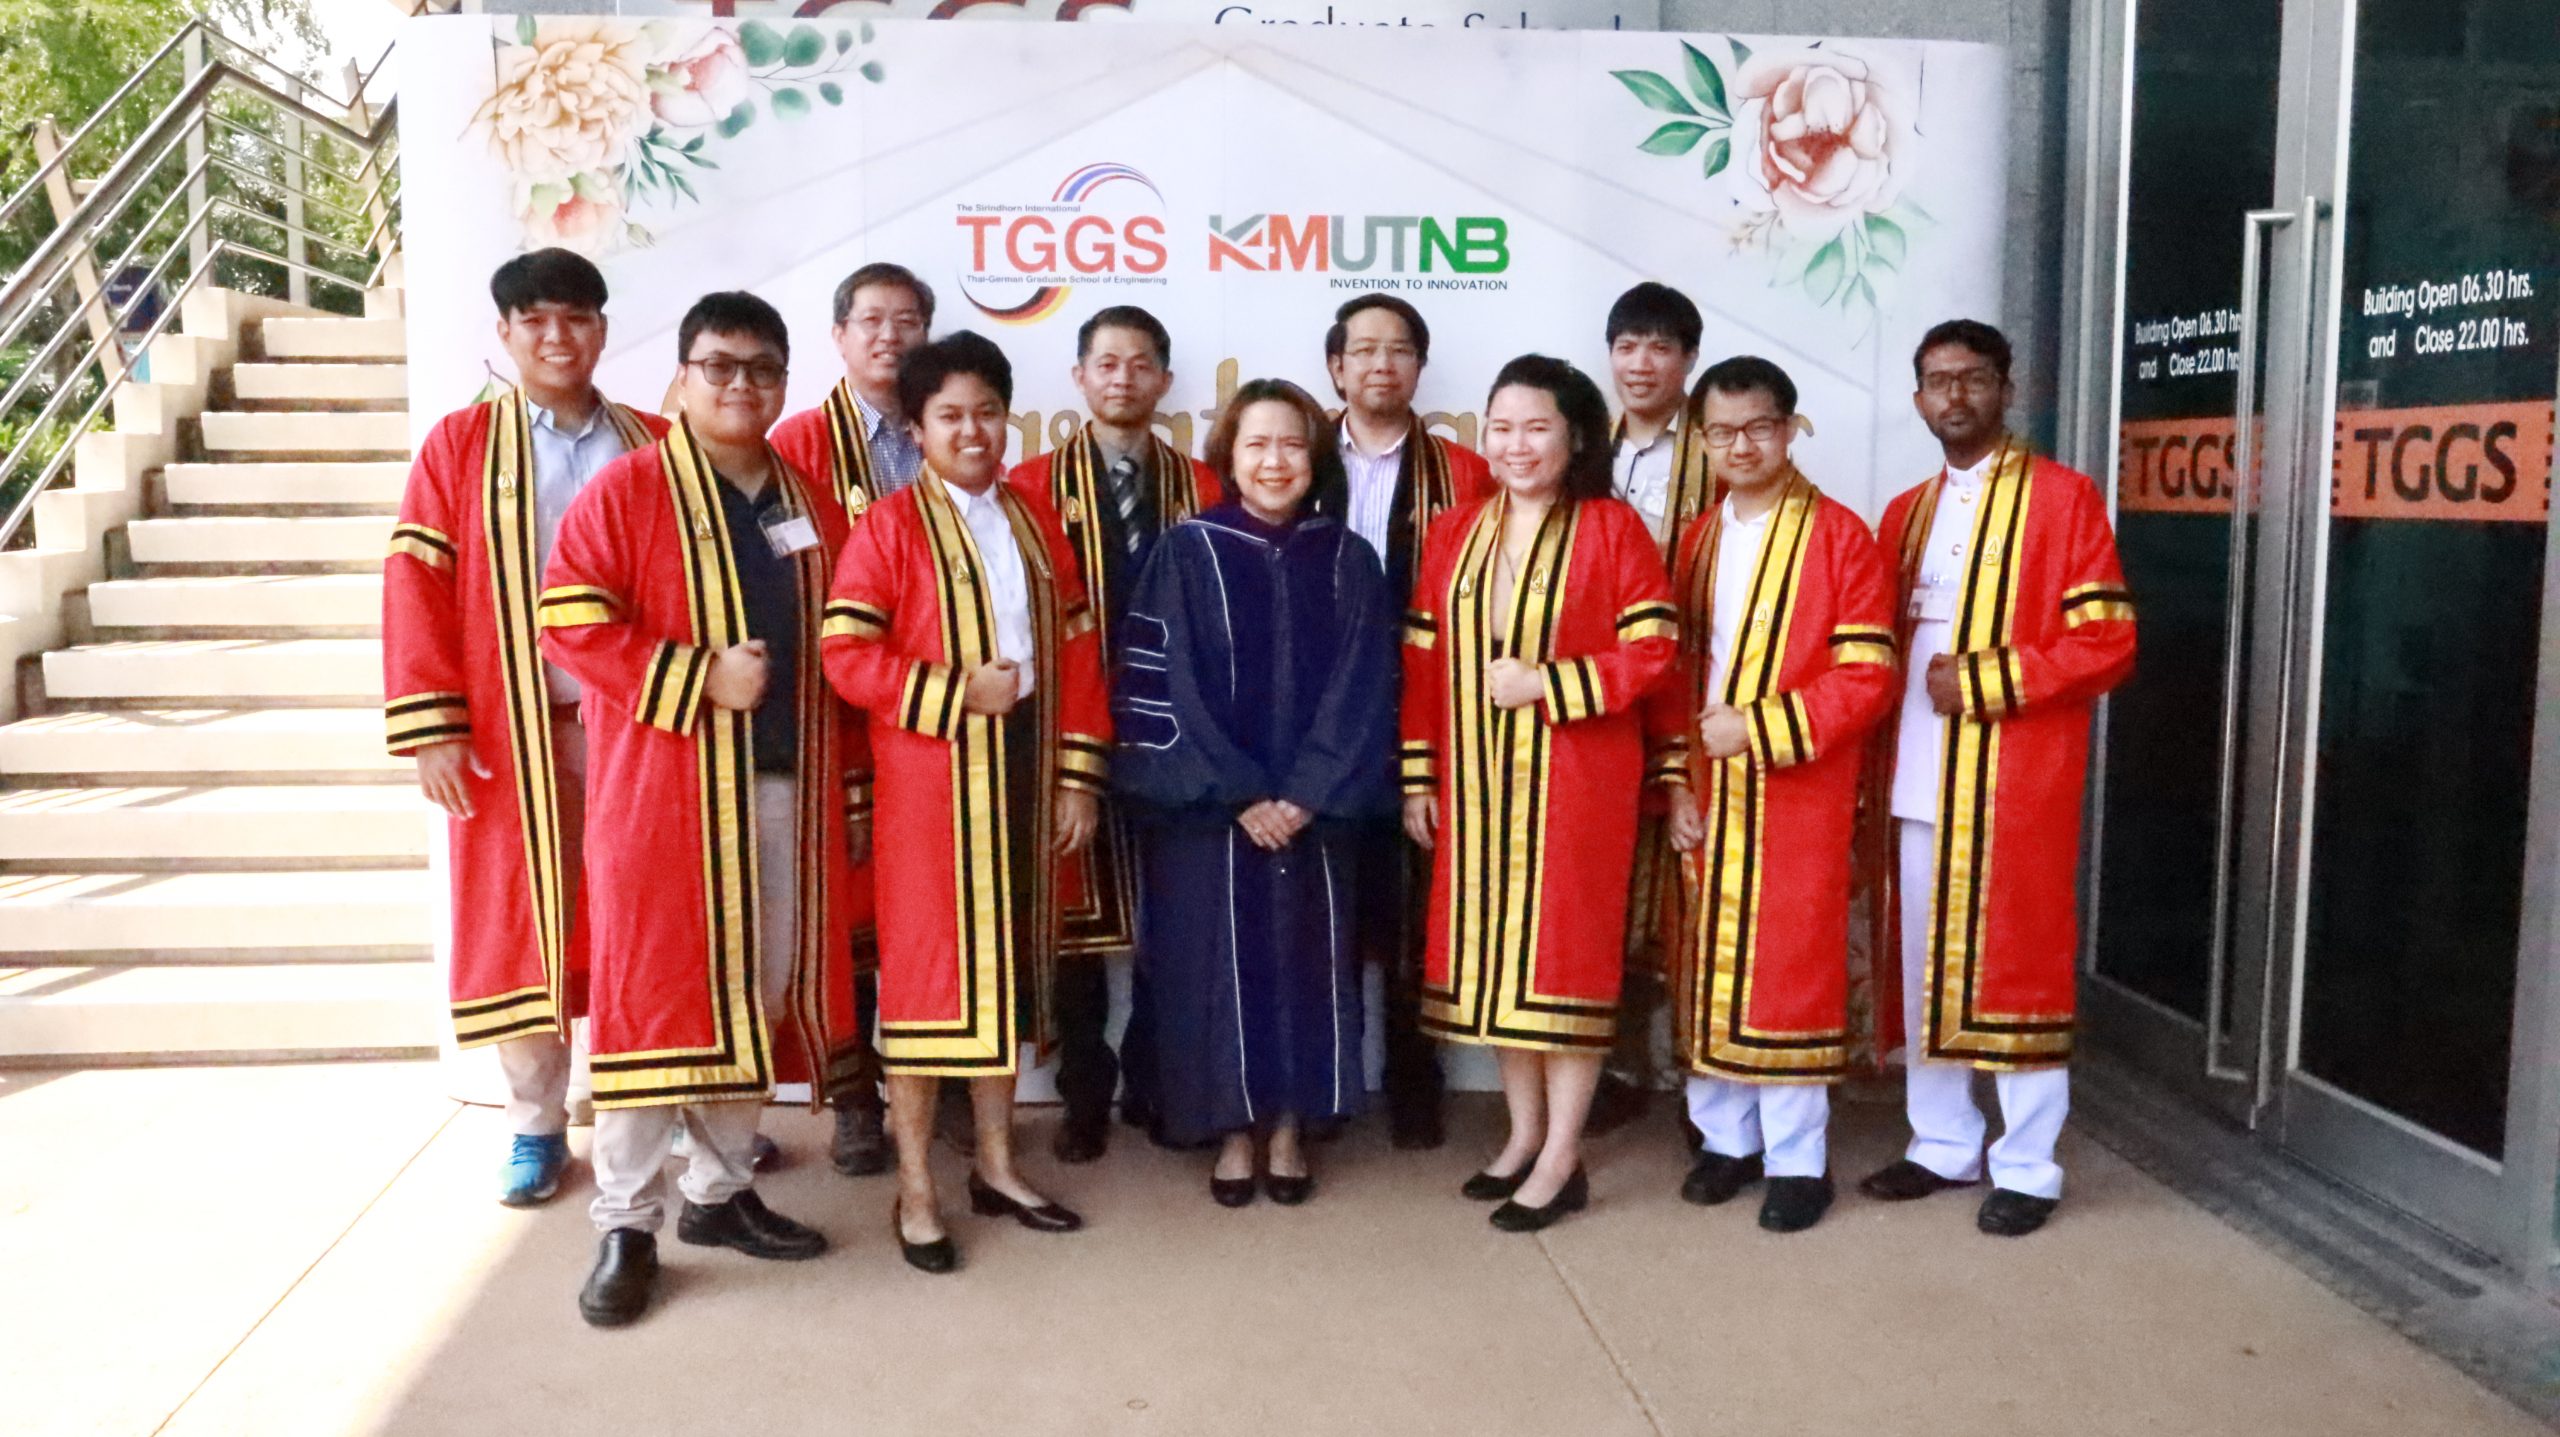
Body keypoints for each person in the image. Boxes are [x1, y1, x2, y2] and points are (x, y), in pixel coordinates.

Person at [538, 291, 863, 1326]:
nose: (740, 385)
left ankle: (718, 1194)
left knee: (754, 997)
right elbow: (568, 620)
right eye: (718, 365)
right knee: (650, 1004)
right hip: (663, 796)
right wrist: (696, 676)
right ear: (681, 377)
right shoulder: (628, 489)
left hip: (783, 789)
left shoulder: (807, 501)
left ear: (784, 383)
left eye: (761, 369)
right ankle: (627, 1222)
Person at [820, 332, 1110, 1274]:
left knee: (1004, 981)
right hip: (931, 786)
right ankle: (916, 1188)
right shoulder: (888, 526)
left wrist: (1077, 776)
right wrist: (953, 693)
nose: (973, 430)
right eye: (950, 415)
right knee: (925, 988)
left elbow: (1079, 648)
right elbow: (846, 656)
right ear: (916, 428)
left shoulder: (1034, 517)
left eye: (987, 411)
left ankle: (996, 1164)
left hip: (1025, 771)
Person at [383, 248, 666, 1209]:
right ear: (503, 333)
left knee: (648, 913)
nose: (557, 336)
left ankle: (653, 1103)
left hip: (639, 725)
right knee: (523, 925)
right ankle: (537, 1123)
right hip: (515, 726)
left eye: (576, 317)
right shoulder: (461, 447)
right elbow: (416, 583)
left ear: (602, 329)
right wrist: (434, 723)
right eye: (535, 319)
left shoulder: (654, 442)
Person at [1858, 319, 2137, 1237]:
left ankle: (2028, 1162)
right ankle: (1942, 1141)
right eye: (1938, 380)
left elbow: (2107, 642)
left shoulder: (2062, 498)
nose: (1955, 395)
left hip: (2011, 780)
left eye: (1973, 377)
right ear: (1917, 399)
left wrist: (1981, 679)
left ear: (2006, 389)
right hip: (1912, 777)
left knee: (2018, 965)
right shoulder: (1903, 513)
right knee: (1922, 966)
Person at [1401, 355, 1675, 1232]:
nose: (1516, 445)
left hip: (1576, 784)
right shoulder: (1457, 530)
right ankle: (1522, 1134)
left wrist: (1550, 684)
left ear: (1576, 436)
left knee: (1564, 962)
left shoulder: (1612, 529)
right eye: (1502, 427)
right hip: (1476, 787)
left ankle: (1564, 1154)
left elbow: (1653, 653)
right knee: (1497, 967)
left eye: (1536, 427)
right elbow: (1421, 663)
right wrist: (1420, 774)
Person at [1111, 378, 1395, 1206]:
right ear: (1228, 458)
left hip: (1317, 814)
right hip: (1211, 814)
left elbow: (1365, 685)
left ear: (1315, 458)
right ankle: (1232, 1129)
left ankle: (1290, 1128)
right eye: (1257, 444)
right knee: (1213, 967)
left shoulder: (1347, 559)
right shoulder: (1187, 551)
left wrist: (1304, 794)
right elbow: (1163, 683)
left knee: (1310, 963)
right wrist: (1238, 793)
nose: (1275, 461)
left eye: (1292, 444)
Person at [1652, 357, 1897, 1234]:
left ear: (1790, 428)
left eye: (1758, 426)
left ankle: (1798, 1158)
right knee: (1703, 964)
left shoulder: (1839, 535)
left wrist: (1759, 727)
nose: (1741, 446)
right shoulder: (1697, 539)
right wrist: (1676, 777)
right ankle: (1727, 1140)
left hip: (1799, 787)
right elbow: (1675, 673)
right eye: (1721, 432)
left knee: (1790, 969)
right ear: (1702, 440)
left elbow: (1869, 674)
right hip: (1708, 783)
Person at [1006, 305, 1220, 1163]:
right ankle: (1084, 1091)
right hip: (1069, 732)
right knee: (1075, 933)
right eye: (1106, 363)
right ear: (1079, 377)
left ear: (1164, 379)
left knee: (1176, 919)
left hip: (1177, 735)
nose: (1122, 378)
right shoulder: (1028, 486)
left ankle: (1157, 1079)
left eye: (1139, 364)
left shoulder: (1203, 487)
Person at [769, 261, 935, 1178]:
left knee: (935, 907)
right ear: (838, 335)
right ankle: (855, 1099)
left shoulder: (950, 429)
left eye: (906, 319)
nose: (889, 336)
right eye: (871, 320)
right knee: (847, 917)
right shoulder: (795, 444)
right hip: (831, 712)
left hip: (938, 716)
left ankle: (942, 1080)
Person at [1324, 291, 1494, 1150]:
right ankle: (1322, 1082)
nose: (1380, 364)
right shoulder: (1296, 452)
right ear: (1336, 367)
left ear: (1420, 367)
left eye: (1398, 350)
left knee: (1416, 899)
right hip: (1317, 713)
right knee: (1321, 896)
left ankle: (1413, 1080)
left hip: (1426, 706)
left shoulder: (1465, 472)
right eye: (1363, 350)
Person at [1592, 280, 1714, 1139]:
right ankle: (1621, 1065)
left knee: (1693, 891)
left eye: (1660, 347)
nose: (1641, 363)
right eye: (1628, 345)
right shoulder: (1581, 447)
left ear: (1689, 360)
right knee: (1612, 890)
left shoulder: (1722, 450)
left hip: (1699, 692)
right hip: (1601, 694)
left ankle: (1709, 1082)